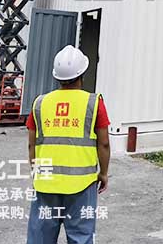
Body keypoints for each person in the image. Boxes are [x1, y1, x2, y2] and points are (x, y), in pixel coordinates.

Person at [26, 45, 111, 244]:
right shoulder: (93, 103)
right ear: (82, 73)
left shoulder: (40, 103)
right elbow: (104, 143)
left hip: (46, 183)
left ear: (57, 76)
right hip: (82, 185)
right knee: (81, 237)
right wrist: (104, 173)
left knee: (40, 238)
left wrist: (36, 172)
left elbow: (32, 145)